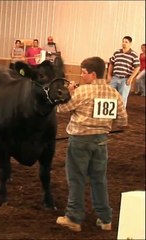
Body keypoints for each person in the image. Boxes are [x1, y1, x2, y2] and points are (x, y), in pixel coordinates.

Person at [56, 56, 128, 232]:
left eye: (84, 72)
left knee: (76, 178)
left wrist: (69, 92)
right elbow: (123, 121)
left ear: (93, 74)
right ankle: (105, 219)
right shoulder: (114, 93)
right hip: (101, 141)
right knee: (99, 180)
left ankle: (73, 217)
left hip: (80, 141)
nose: (81, 75)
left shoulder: (83, 91)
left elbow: (60, 109)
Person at [107, 36, 140, 108]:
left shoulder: (134, 54)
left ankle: (121, 115)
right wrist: (109, 75)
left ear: (130, 44)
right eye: (123, 41)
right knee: (109, 95)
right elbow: (111, 64)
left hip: (125, 79)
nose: (124, 43)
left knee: (123, 98)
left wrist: (131, 78)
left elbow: (137, 67)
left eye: (126, 42)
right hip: (115, 77)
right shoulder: (117, 52)